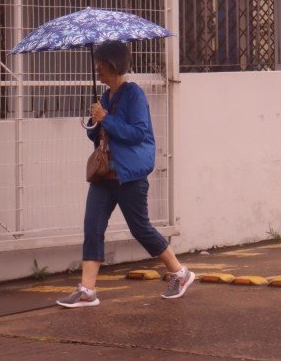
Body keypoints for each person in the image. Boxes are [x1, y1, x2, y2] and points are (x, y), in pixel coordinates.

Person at [56, 40, 194, 308]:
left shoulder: (133, 95)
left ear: (113, 64)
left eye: (100, 63)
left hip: (129, 175)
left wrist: (106, 118)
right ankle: (87, 290)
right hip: (104, 175)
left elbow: (138, 133)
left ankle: (180, 273)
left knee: (140, 228)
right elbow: (100, 138)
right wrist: (96, 122)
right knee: (92, 227)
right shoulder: (106, 96)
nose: (97, 68)